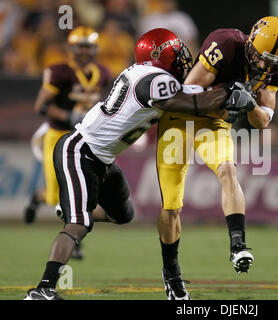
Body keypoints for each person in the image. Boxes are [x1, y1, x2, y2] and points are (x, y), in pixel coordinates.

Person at [24, 27, 251, 300]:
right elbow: (193, 104)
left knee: (123, 214)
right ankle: (44, 289)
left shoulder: (144, 74)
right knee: (79, 225)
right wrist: (228, 92)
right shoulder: (154, 79)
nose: (183, 59)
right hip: (80, 150)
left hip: (102, 158)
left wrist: (225, 99)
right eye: (176, 52)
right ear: (160, 54)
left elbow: (194, 97)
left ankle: (75, 208)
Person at [155, 16, 278, 300]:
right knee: (171, 206)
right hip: (181, 119)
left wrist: (249, 102)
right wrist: (225, 94)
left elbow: (263, 121)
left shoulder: (277, 70)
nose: (265, 66)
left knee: (228, 170)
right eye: (261, 57)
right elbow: (189, 90)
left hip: (214, 125)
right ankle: (171, 273)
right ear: (250, 44)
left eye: (273, 62)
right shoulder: (227, 43)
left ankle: (238, 245)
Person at [23, 26, 113, 259]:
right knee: (55, 196)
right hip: (58, 136)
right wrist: (69, 116)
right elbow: (41, 105)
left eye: (88, 46)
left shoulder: (102, 72)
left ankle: (76, 239)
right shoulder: (59, 71)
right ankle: (38, 198)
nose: (84, 51)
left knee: (82, 192)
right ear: (70, 48)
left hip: (86, 140)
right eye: (80, 46)